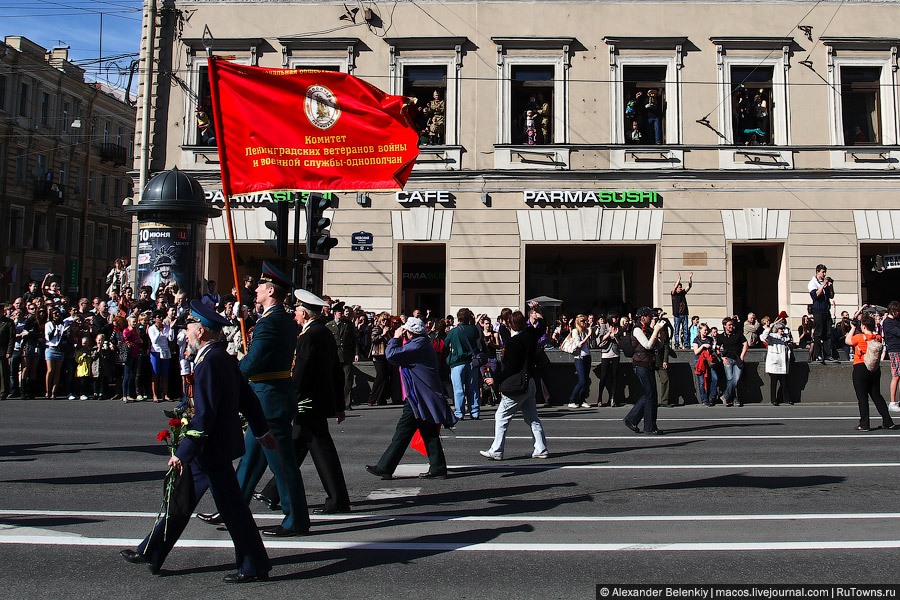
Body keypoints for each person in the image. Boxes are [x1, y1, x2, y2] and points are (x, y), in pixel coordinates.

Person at [120, 300, 276, 583]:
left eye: (190, 327)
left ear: (202, 331)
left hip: (210, 450)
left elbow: (204, 414)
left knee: (233, 510)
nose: (186, 333)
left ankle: (254, 566)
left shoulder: (210, 363)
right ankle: (152, 551)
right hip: (208, 450)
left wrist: (183, 452)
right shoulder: (221, 358)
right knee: (180, 500)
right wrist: (262, 431)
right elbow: (247, 399)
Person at [197, 262, 309, 537]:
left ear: (271, 290)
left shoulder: (270, 323)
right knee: (249, 462)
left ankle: (296, 520)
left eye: (260, 285)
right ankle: (231, 508)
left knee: (282, 464)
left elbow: (254, 362)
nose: (256, 289)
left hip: (269, 400)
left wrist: (226, 376)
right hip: (266, 399)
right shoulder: (278, 319)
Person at [257, 289, 351, 515]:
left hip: (307, 402)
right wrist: (339, 404)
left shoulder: (309, 337)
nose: (295, 316)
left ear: (306, 314)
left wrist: (289, 398)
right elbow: (336, 372)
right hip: (317, 401)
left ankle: (337, 500)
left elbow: (301, 373)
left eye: (298, 312)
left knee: (317, 449)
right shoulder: (325, 333)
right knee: (298, 446)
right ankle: (272, 493)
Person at [366, 317, 458, 479]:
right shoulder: (420, 343)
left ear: (410, 332)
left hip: (420, 396)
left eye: (406, 330)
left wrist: (394, 338)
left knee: (408, 431)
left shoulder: (418, 345)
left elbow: (392, 355)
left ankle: (386, 467)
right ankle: (435, 467)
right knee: (422, 431)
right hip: (419, 395)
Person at [479, 310, 548, 460]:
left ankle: (497, 450)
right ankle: (541, 448)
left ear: (510, 325)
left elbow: (510, 367)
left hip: (516, 385)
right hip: (529, 382)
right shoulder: (529, 336)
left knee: (501, 416)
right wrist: (539, 313)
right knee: (532, 417)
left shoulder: (513, 343)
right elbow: (541, 328)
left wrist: (495, 379)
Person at [846, 310, 897, 432]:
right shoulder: (877, 337)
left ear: (863, 326)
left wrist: (853, 328)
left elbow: (847, 340)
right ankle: (888, 421)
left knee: (862, 398)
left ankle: (864, 424)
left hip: (860, 367)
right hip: (874, 369)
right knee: (877, 395)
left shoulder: (859, 337)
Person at [623, 307, 667, 434]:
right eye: (649, 316)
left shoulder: (647, 329)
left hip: (648, 363)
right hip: (641, 364)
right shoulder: (637, 329)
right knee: (650, 394)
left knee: (650, 394)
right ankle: (649, 426)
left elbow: (657, 345)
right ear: (643, 317)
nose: (651, 318)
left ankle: (632, 419)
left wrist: (660, 332)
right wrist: (656, 330)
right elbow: (647, 345)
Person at [445, 308, 484, 420]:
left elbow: (446, 343)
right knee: (473, 388)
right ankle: (475, 411)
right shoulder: (476, 330)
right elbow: (480, 344)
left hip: (457, 362)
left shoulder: (454, 331)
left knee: (458, 389)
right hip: (472, 361)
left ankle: (460, 412)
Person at [326, 304, 358, 411]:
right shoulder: (329, 325)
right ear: (335, 313)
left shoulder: (347, 324)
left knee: (347, 380)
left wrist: (356, 353)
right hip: (334, 356)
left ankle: (347, 403)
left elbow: (354, 340)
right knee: (334, 379)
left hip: (346, 355)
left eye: (342, 312)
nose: (341, 314)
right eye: (339, 312)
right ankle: (334, 402)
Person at [762, 312, 794, 406]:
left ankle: (786, 399)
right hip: (774, 363)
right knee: (774, 383)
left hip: (783, 363)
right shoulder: (772, 338)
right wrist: (769, 328)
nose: (782, 331)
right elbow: (764, 337)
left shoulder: (784, 339)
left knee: (784, 382)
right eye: (780, 329)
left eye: (783, 329)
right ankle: (773, 399)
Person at [809, 264, 838, 363]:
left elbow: (831, 295)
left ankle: (827, 355)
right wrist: (823, 285)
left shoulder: (825, 283)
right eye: (823, 272)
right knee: (818, 333)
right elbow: (815, 296)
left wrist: (831, 286)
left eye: (825, 272)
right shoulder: (813, 283)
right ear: (817, 272)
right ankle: (817, 355)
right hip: (818, 310)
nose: (824, 274)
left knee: (828, 333)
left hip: (826, 310)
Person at [717, 317, 749, 407]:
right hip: (727, 359)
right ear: (724, 326)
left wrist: (742, 355)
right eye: (729, 325)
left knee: (736, 379)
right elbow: (717, 349)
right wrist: (722, 358)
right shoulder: (721, 336)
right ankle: (734, 399)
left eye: (732, 324)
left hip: (737, 359)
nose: (731, 326)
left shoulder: (738, 334)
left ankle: (725, 396)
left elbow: (746, 344)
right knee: (730, 379)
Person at [566, 314, 593, 409]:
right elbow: (578, 345)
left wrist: (590, 334)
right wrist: (588, 335)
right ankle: (572, 400)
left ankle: (582, 400)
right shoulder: (575, 331)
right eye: (582, 321)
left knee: (585, 380)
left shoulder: (585, 331)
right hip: (579, 358)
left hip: (587, 357)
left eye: (585, 321)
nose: (584, 322)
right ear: (578, 322)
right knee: (581, 380)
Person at [691, 323, 719, 406]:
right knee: (701, 382)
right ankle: (704, 399)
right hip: (699, 362)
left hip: (709, 361)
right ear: (700, 330)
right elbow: (696, 351)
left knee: (715, 378)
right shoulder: (696, 339)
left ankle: (712, 397)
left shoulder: (709, 339)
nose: (706, 332)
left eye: (707, 330)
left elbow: (712, 349)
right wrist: (703, 346)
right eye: (704, 330)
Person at [882, 302, 900, 413]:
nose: (898, 313)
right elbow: (898, 332)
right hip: (895, 350)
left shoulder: (896, 320)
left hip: (898, 349)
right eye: (897, 311)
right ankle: (893, 402)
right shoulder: (888, 322)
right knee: (896, 375)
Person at [671, 272, 692, 349]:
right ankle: (676, 344)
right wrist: (678, 280)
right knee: (676, 330)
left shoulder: (683, 293)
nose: (680, 288)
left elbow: (689, 286)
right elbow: (674, 289)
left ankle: (686, 344)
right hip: (677, 315)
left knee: (685, 329)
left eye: (680, 287)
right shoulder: (674, 294)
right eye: (679, 287)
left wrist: (690, 278)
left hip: (684, 314)